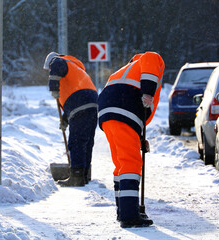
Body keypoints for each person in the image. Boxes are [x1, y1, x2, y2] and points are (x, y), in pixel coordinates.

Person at [97, 52, 165, 228]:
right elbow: (151, 58)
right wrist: (148, 93)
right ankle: (129, 216)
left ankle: (124, 210)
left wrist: (139, 137)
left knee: (121, 163)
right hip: (124, 109)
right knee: (131, 163)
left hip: (107, 113)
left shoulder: (124, 70)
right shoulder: (149, 59)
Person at [43, 52, 98, 187]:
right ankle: (84, 174)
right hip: (93, 103)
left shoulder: (59, 61)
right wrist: (65, 120)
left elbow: (56, 63)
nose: (50, 71)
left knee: (77, 140)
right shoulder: (75, 69)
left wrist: (53, 87)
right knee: (86, 141)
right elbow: (76, 96)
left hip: (80, 102)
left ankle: (77, 177)